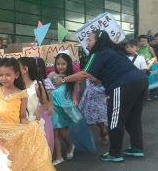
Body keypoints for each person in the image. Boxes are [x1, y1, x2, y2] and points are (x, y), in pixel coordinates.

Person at [57, 30, 148, 162]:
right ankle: (137, 148)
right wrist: (99, 79)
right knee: (132, 117)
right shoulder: (113, 51)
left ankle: (114, 153)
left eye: (89, 40)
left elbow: (83, 75)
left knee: (115, 119)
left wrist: (63, 80)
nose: (87, 42)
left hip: (123, 84)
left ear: (97, 41)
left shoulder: (98, 53)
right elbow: (112, 70)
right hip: (140, 81)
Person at [0, 58, 57, 171]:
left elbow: (22, 117)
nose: (4, 78)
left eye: (8, 75)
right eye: (1, 75)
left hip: (14, 138)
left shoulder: (22, 94)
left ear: (16, 75)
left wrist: (29, 126)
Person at [47, 52, 81, 165]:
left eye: (63, 64)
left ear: (68, 64)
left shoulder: (71, 78)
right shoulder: (52, 74)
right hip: (53, 107)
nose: (60, 66)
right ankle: (59, 156)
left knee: (62, 131)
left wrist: (75, 100)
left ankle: (70, 145)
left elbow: (74, 92)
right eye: (58, 64)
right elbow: (45, 87)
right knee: (54, 131)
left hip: (64, 107)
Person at [18, 57, 51, 132]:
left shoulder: (36, 86)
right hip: (18, 122)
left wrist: (39, 112)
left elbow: (45, 103)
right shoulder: (17, 87)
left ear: (25, 70)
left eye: (17, 68)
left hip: (33, 121)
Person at [78, 78, 109, 144]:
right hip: (95, 94)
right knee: (97, 118)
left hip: (94, 94)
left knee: (89, 119)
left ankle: (89, 141)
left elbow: (83, 75)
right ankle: (103, 131)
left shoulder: (90, 68)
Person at [36, 57, 55, 153]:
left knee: (45, 134)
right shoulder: (29, 83)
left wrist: (51, 107)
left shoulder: (46, 81)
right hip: (34, 111)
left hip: (44, 112)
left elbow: (49, 99)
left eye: (38, 67)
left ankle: (46, 155)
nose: (36, 69)